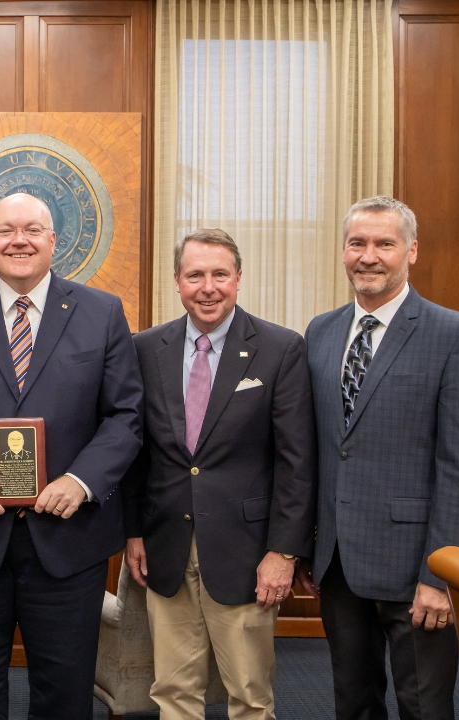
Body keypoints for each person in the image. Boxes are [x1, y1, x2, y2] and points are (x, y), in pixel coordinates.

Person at [0, 192, 143, 720]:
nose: (19, 240)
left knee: (64, 695)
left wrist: (82, 480)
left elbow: (126, 415)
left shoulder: (102, 311)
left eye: (33, 230)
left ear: (53, 241)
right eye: (6, 231)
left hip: (68, 541)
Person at [299, 196, 459, 720]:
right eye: (357, 243)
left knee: (424, 707)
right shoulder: (320, 332)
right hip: (338, 563)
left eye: (384, 243)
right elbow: (319, 448)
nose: (369, 256)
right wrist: (307, 546)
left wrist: (442, 575)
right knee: (353, 701)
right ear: (342, 251)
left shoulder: (455, 335)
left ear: (411, 251)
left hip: (416, 567)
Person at [124, 229, 316, 720]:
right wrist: (134, 531)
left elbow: (297, 462)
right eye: (195, 276)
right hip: (166, 546)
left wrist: (283, 551)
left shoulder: (280, 348)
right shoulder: (145, 349)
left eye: (219, 275)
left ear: (238, 279)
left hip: (247, 553)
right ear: (177, 282)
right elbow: (135, 451)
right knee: (171, 690)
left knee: (249, 695)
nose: (207, 287)